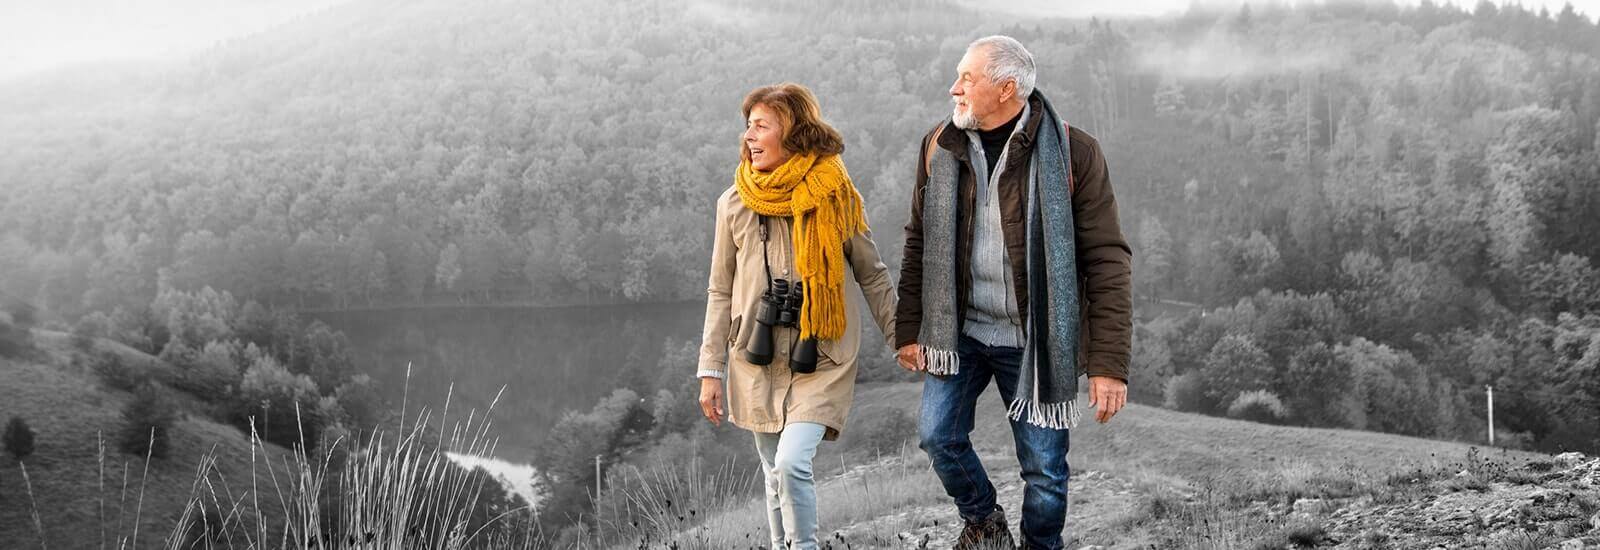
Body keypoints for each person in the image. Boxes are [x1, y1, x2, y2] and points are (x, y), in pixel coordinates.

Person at [895, 36, 1133, 550]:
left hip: (1035, 339)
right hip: (961, 331)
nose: (953, 87)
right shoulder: (940, 144)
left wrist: (1110, 364)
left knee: (1044, 471)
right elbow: (919, 238)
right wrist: (910, 328)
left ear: (1006, 89)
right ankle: (985, 522)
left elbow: (1107, 259)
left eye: (967, 79)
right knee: (939, 436)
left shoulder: (1074, 152)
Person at [695, 82, 897, 550]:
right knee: (772, 472)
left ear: (793, 132)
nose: (749, 135)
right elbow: (720, 290)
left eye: (761, 126)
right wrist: (710, 369)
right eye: (747, 126)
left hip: (821, 354)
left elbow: (871, 272)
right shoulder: (733, 204)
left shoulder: (837, 196)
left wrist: (899, 335)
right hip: (755, 357)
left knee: (790, 464)